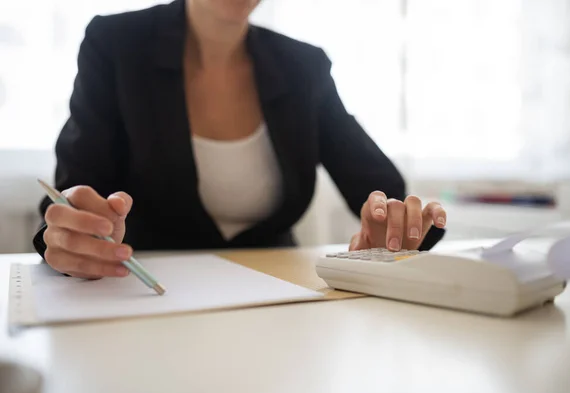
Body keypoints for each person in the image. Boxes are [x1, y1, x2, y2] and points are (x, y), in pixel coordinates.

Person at [33, 0, 447, 279]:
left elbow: (384, 194)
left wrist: (396, 229)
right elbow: (73, 193)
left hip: (277, 297)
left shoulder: (304, 66)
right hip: (143, 290)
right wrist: (73, 231)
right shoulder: (116, 43)